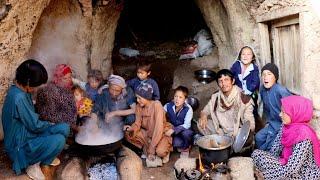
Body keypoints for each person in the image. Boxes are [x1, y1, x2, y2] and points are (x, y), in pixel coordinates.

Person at [1, 59, 70, 179]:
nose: (36, 88)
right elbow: (35, 125)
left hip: (28, 133)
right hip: (19, 146)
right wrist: (50, 123)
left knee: (64, 127)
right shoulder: (19, 97)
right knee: (59, 140)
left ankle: (44, 154)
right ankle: (32, 164)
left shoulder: (20, 89)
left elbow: (30, 115)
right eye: (36, 85)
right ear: (28, 83)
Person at [252, 95, 320, 179]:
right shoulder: (286, 126)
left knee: (286, 175)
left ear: (295, 113)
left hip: (303, 174)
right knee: (256, 154)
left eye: (284, 112)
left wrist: (265, 175)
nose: (280, 114)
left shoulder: (303, 135)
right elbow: (275, 149)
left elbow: (292, 169)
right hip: (286, 164)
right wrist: (268, 161)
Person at [197, 69, 255, 150]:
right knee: (200, 123)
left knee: (243, 134)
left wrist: (245, 132)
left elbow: (250, 123)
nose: (223, 84)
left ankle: (221, 143)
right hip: (220, 131)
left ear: (233, 81)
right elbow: (205, 111)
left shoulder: (244, 99)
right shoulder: (216, 97)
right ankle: (222, 141)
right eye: (220, 81)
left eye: (226, 80)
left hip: (235, 132)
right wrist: (203, 115)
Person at [124, 83, 173, 164]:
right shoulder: (139, 106)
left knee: (160, 152)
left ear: (147, 97)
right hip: (148, 134)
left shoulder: (157, 105)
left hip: (161, 133)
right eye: (137, 98)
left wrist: (152, 148)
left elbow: (158, 129)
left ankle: (164, 152)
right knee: (128, 134)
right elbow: (137, 124)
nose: (137, 100)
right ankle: (147, 147)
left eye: (139, 98)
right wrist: (131, 128)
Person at [255, 63, 291, 151]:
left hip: (283, 125)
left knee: (270, 145)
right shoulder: (262, 89)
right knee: (258, 137)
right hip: (272, 123)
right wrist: (267, 122)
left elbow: (291, 110)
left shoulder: (281, 91)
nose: (265, 77)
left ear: (275, 77)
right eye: (263, 75)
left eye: (269, 74)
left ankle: (266, 157)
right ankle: (262, 156)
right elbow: (266, 110)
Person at [36, 64, 77, 130]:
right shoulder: (51, 91)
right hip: (53, 127)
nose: (69, 80)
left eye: (70, 77)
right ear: (58, 78)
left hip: (68, 124)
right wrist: (73, 126)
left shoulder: (67, 88)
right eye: (65, 78)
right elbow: (51, 116)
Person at [164, 86, 193, 157]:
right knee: (175, 143)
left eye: (180, 97)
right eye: (175, 96)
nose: (177, 99)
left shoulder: (188, 109)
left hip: (183, 131)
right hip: (172, 131)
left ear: (185, 99)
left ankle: (186, 148)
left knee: (187, 133)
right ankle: (179, 146)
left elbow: (187, 125)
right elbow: (160, 116)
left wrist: (174, 130)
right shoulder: (168, 106)